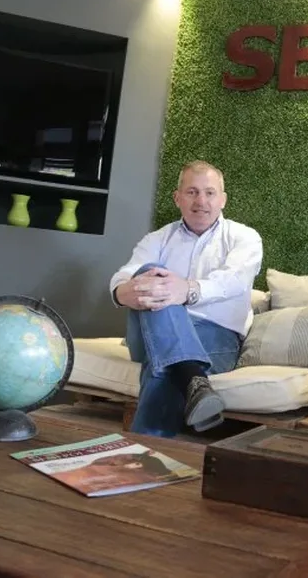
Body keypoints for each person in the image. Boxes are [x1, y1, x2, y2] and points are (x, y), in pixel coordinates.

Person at [109, 160, 263, 438]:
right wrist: (121, 293)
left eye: (209, 192)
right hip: (145, 337)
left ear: (223, 200)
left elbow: (233, 281)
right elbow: (125, 274)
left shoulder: (244, 238)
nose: (201, 201)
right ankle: (195, 380)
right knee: (147, 273)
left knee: (162, 367)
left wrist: (187, 290)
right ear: (177, 198)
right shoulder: (158, 238)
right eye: (192, 192)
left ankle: (144, 448)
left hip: (217, 339)